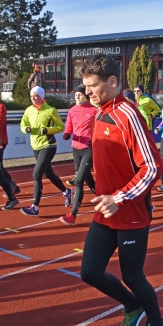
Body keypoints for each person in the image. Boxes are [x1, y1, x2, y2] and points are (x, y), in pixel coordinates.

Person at [78, 54, 163, 326]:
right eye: (85, 85)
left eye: (93, 86)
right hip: (105, 212)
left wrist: (118, 197)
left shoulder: (127, 114)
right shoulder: (100, 111)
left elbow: (153, 168)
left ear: (113, 82)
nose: (87, 91)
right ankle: (132, 306)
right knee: (90, 272)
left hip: (129, 213)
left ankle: (157, 324)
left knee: (132, 276)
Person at [19, 86, 71, 216]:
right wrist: (26, 129)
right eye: (31, 96)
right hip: (35, 145)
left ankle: (35, 207)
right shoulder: (29, 110)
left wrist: (48, 130)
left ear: (42, 97)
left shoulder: (50, 110)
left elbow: (60, 126)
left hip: (48, 145)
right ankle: (66, 191)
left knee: (36, 174)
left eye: (36, 96)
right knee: (49, 174)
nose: (33, 99)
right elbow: (22, 124)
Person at [59, 85, 98, 226]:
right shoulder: (72, 111)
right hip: (76, 149)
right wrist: (67, 134)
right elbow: (68, 126)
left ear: (86, 96)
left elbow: (99, 128)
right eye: (75, 95)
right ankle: (105, 199)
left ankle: (73, 214)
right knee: (89, 181)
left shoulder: (94, 111)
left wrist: (93, 139)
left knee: (79, 180)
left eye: (79, 95)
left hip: (89, 149)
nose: (77, 97)